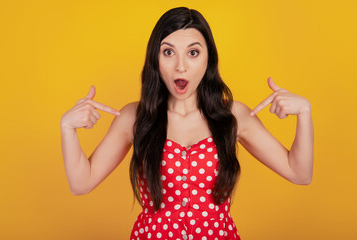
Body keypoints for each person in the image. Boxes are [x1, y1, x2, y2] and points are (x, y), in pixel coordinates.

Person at [60, 6, 314, 240]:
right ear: (155, 60)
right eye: (168, 52)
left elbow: (299, 173)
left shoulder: (233, 116)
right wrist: (67, 128)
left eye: (193, 52)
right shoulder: (134, 118)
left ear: (208, 60)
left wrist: (304, 112)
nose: (181, 66)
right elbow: (82, 183)